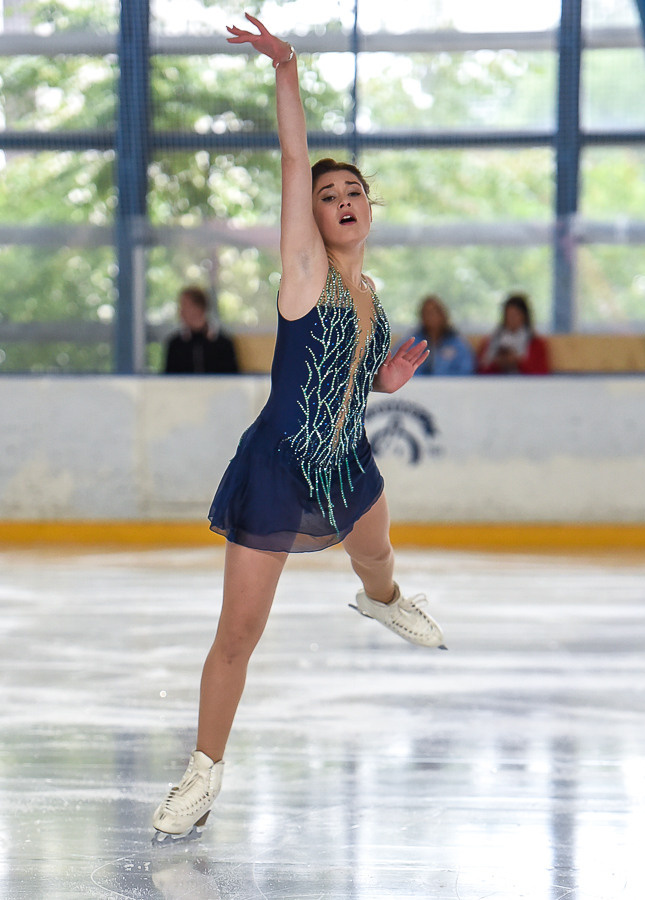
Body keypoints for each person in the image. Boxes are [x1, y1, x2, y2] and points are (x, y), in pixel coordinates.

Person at [151, 13, 446, 844]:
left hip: (344, 458)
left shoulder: (370, 291)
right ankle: (203, 772)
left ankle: (381, 601)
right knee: (238, 636)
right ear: (309, 220)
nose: (342, 200)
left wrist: (384, 380)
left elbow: (353, 376)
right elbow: (291, 157)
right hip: (279, 467)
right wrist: (286, 67)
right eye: (328, 196)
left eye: (353, 191)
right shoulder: (307, 271)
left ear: (368, 208)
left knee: (378, 553)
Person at [164, 286, 239, 374]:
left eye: (184, 305)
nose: (180, 311)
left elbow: (232, 378)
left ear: (199, 308)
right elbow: (169, 380)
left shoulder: (223, 344)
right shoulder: (175, 344)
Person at [476, 293, 550, 375]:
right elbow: (481, 371)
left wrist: (519, 362)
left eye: (516, 315)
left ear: (524, 316)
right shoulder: (491, 341)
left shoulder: (536, 343)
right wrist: (497, 363)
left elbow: (541, 373)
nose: (512, 319)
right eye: (509, 315)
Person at [411, 294, 474, 375]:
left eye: (434, 312)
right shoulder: (412, 341)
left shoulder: (458, 343)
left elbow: (467, 371)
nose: (430, 317)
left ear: (443, 315)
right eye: (426, 313)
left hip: (452, 386)